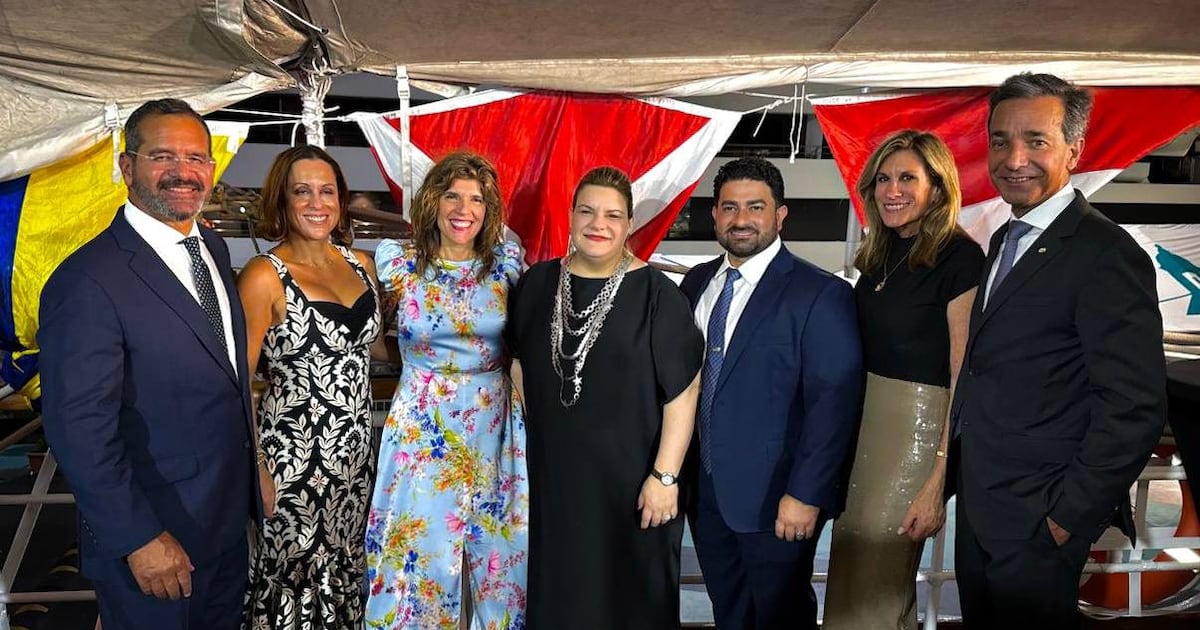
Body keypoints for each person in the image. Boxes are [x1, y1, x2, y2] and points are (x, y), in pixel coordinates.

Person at [950, 73, 1167, 628]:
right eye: (1000, 141)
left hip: (1041, 519)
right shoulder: (1005, 238)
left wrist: (1067, 517)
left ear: (1074, 150)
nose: (1014, 158)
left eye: (1036, 141)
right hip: (982, 510)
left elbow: (1134, 405)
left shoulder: (1106, 253)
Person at [38, 98, 259, 629]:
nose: (183, 172)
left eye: (196, 158)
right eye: (163, 157)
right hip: (155, 542)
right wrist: (137, 537)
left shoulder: (212, 249)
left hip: (225, 527)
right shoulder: (87, 280)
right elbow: (78, 427)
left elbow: (223, 379)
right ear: (127, 166)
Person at [507, 166, 703, 630]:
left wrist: (665, 477)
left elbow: (684, 391)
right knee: (561, 601)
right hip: (554, 483)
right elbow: (516, 361)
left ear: (630, 223)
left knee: (629, 605)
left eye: (613, 215)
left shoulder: (658, 295)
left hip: (634, 486)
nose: (599, 224)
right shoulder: (536, 284)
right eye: (587, 211)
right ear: (572, 216)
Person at [680, 156, 862, 630]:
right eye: (730, 207)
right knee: (729, 614)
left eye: (755, 207)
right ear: (715, 215)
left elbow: (833, 405)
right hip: (706, 496)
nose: (741, 219)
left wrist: (805, 494)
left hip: (778, 500)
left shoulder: (820, 293)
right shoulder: (696, 283)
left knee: (782, 618)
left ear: (780, 214)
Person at [822, 131, 983, 629]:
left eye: (907, 178)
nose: (892, 190)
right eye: (883, 179)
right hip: (864, 432)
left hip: (919, 436)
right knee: (858, 572)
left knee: (877, 575)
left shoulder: (961, 258)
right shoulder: (879, 255)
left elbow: (963, 375)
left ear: (937, 187)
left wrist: (938, 479)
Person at [364, 151, 528, 629]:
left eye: (477, 199)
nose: (464, 209)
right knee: (417, 557)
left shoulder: (507, 265)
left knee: (501, 559)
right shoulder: (397, 263)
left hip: (493, 426)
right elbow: (372, 336)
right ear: (432, 201)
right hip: (422, 427)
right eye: (453, 196)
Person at [237, 146, 381, 628]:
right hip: (292, 465)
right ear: (282, 200)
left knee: (343, 579)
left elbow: (378, 351)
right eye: (302, 192)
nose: (317, 204)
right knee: (291, 586)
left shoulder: (362, 265)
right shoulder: (263, 276)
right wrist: (257, 467)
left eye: (327, 191)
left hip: (355, 464)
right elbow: (237, 382)